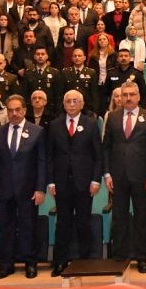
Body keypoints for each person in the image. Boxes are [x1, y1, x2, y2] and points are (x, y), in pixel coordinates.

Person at [102, 83, 146, 273]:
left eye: (132, 94)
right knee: (119, 217)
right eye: (124, 94)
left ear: (138, 96)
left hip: (141, 177)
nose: (127, 98)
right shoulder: (112, 117)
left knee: (141, 217)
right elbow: (106, 148)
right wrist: (107, 173)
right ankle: (120, 256)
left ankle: (142, 257)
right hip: (117, 177)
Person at [0, 94, 47, 279]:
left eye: (18, 110)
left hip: (28, 190)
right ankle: (6, 265)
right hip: (4, 190)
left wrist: (40, 188)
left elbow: (41, 162)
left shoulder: (37, 131)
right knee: (5, 228)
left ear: (24, 110)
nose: (14, 113)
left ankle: (30, 263)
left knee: (28, 227)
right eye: (10, 110)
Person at [48, 89, 103, 275]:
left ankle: (84, 262)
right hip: (61, 182)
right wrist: (50, 182)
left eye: (75, 101)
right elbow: (50, 156)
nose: (72, 104)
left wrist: (96, 179)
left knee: (83, 223)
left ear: (82, 104)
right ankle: (59, 262)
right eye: (68, 101)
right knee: (62, 223)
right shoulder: (54, 125)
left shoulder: (91, 124)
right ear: (63, 105)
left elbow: (98, 156)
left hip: (85, 182)